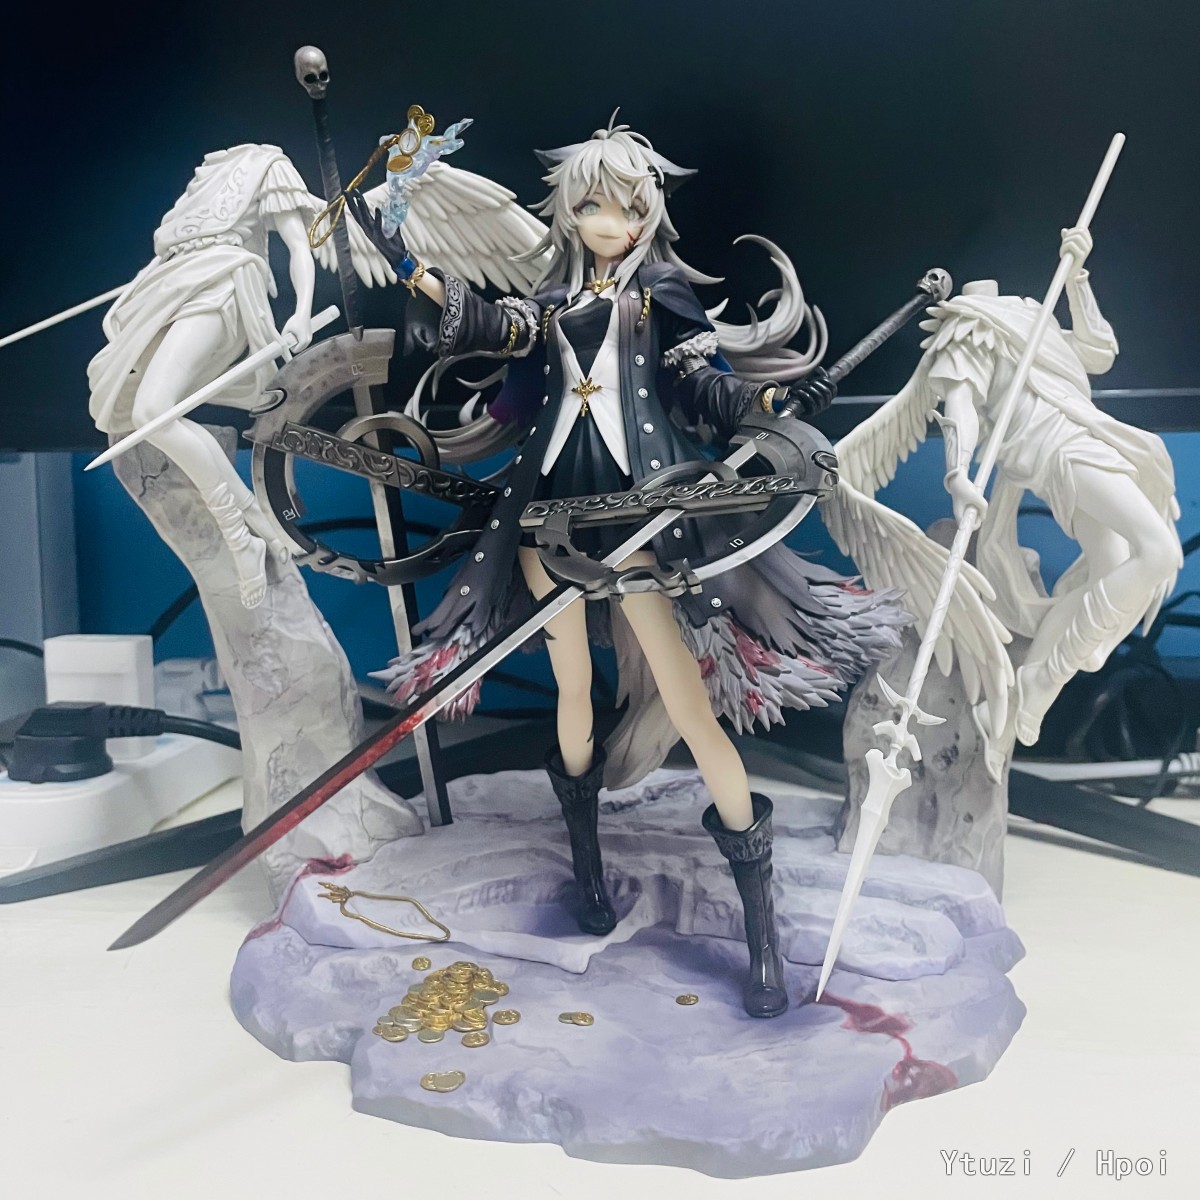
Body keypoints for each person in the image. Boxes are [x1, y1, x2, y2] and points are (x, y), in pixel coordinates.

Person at [351, 120, 907, 1017]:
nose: (613, 223)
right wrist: (406, 261)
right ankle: (587, 871)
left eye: (630, 208)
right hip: (548, 509)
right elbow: (493, 323)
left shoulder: (660, 295)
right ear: (571, 212)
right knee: (572, 684)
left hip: (637, 510)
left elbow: (702, 385)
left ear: (650, 215)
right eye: (596, 207)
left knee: (688, 703)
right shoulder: (554, 299)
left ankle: (762, 929)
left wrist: (765, 397)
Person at [921, 226, 1181, 753]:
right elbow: (960, 410)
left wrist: (1078, 280)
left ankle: (1028, 694)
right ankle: (1051, 671)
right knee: (1159, 552)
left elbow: (1097, 353)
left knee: (1110, 570)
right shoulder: (967, 328)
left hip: (1085, 438)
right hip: (1057, 450)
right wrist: (957, 474)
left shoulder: (1028, 315)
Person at [87, 144, 316, 607]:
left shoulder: (266, 163)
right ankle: (250, 523)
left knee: (152, 411)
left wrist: (302, 312)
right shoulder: (205, 174)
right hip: (171, 290)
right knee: (144, 411)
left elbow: (299, 245)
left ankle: (241, 536)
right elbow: (171, 252)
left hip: (220, 287)